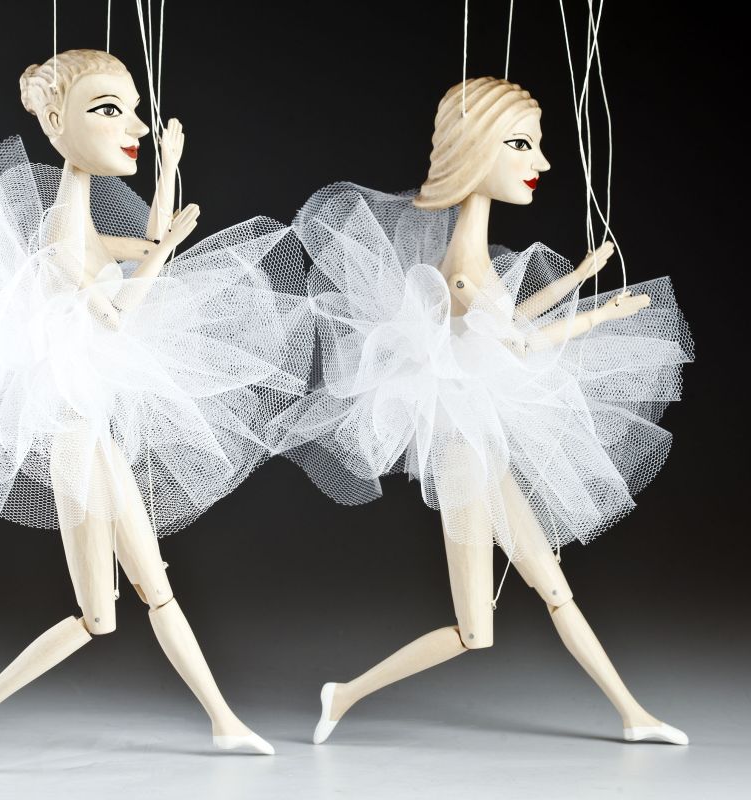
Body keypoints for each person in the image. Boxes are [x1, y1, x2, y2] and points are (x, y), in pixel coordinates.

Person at [0, 49, 309, 767]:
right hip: (75, 444)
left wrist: (168, 172)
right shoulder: (59, 234)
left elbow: (151, 245)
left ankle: (224, 721)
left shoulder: (77, 222)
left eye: (132, 111)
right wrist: (159, 254)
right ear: (56, 122)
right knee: (100, 615)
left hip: (92, 435)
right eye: (110, 111)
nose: (133, 127)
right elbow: (118, 313)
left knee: (153, 591)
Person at [268, 76, 693, 746]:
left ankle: (633, 714)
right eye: (520, 145)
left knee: (555, 588)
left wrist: (580, 280)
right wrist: (599, 316)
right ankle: (343, 694)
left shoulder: (468, 256)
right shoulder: (463, 263)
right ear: (473, 151)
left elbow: (502, 318)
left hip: (479, 439)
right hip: (463, 453)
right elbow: (518, 343)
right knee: (476, 631)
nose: (541, 162)